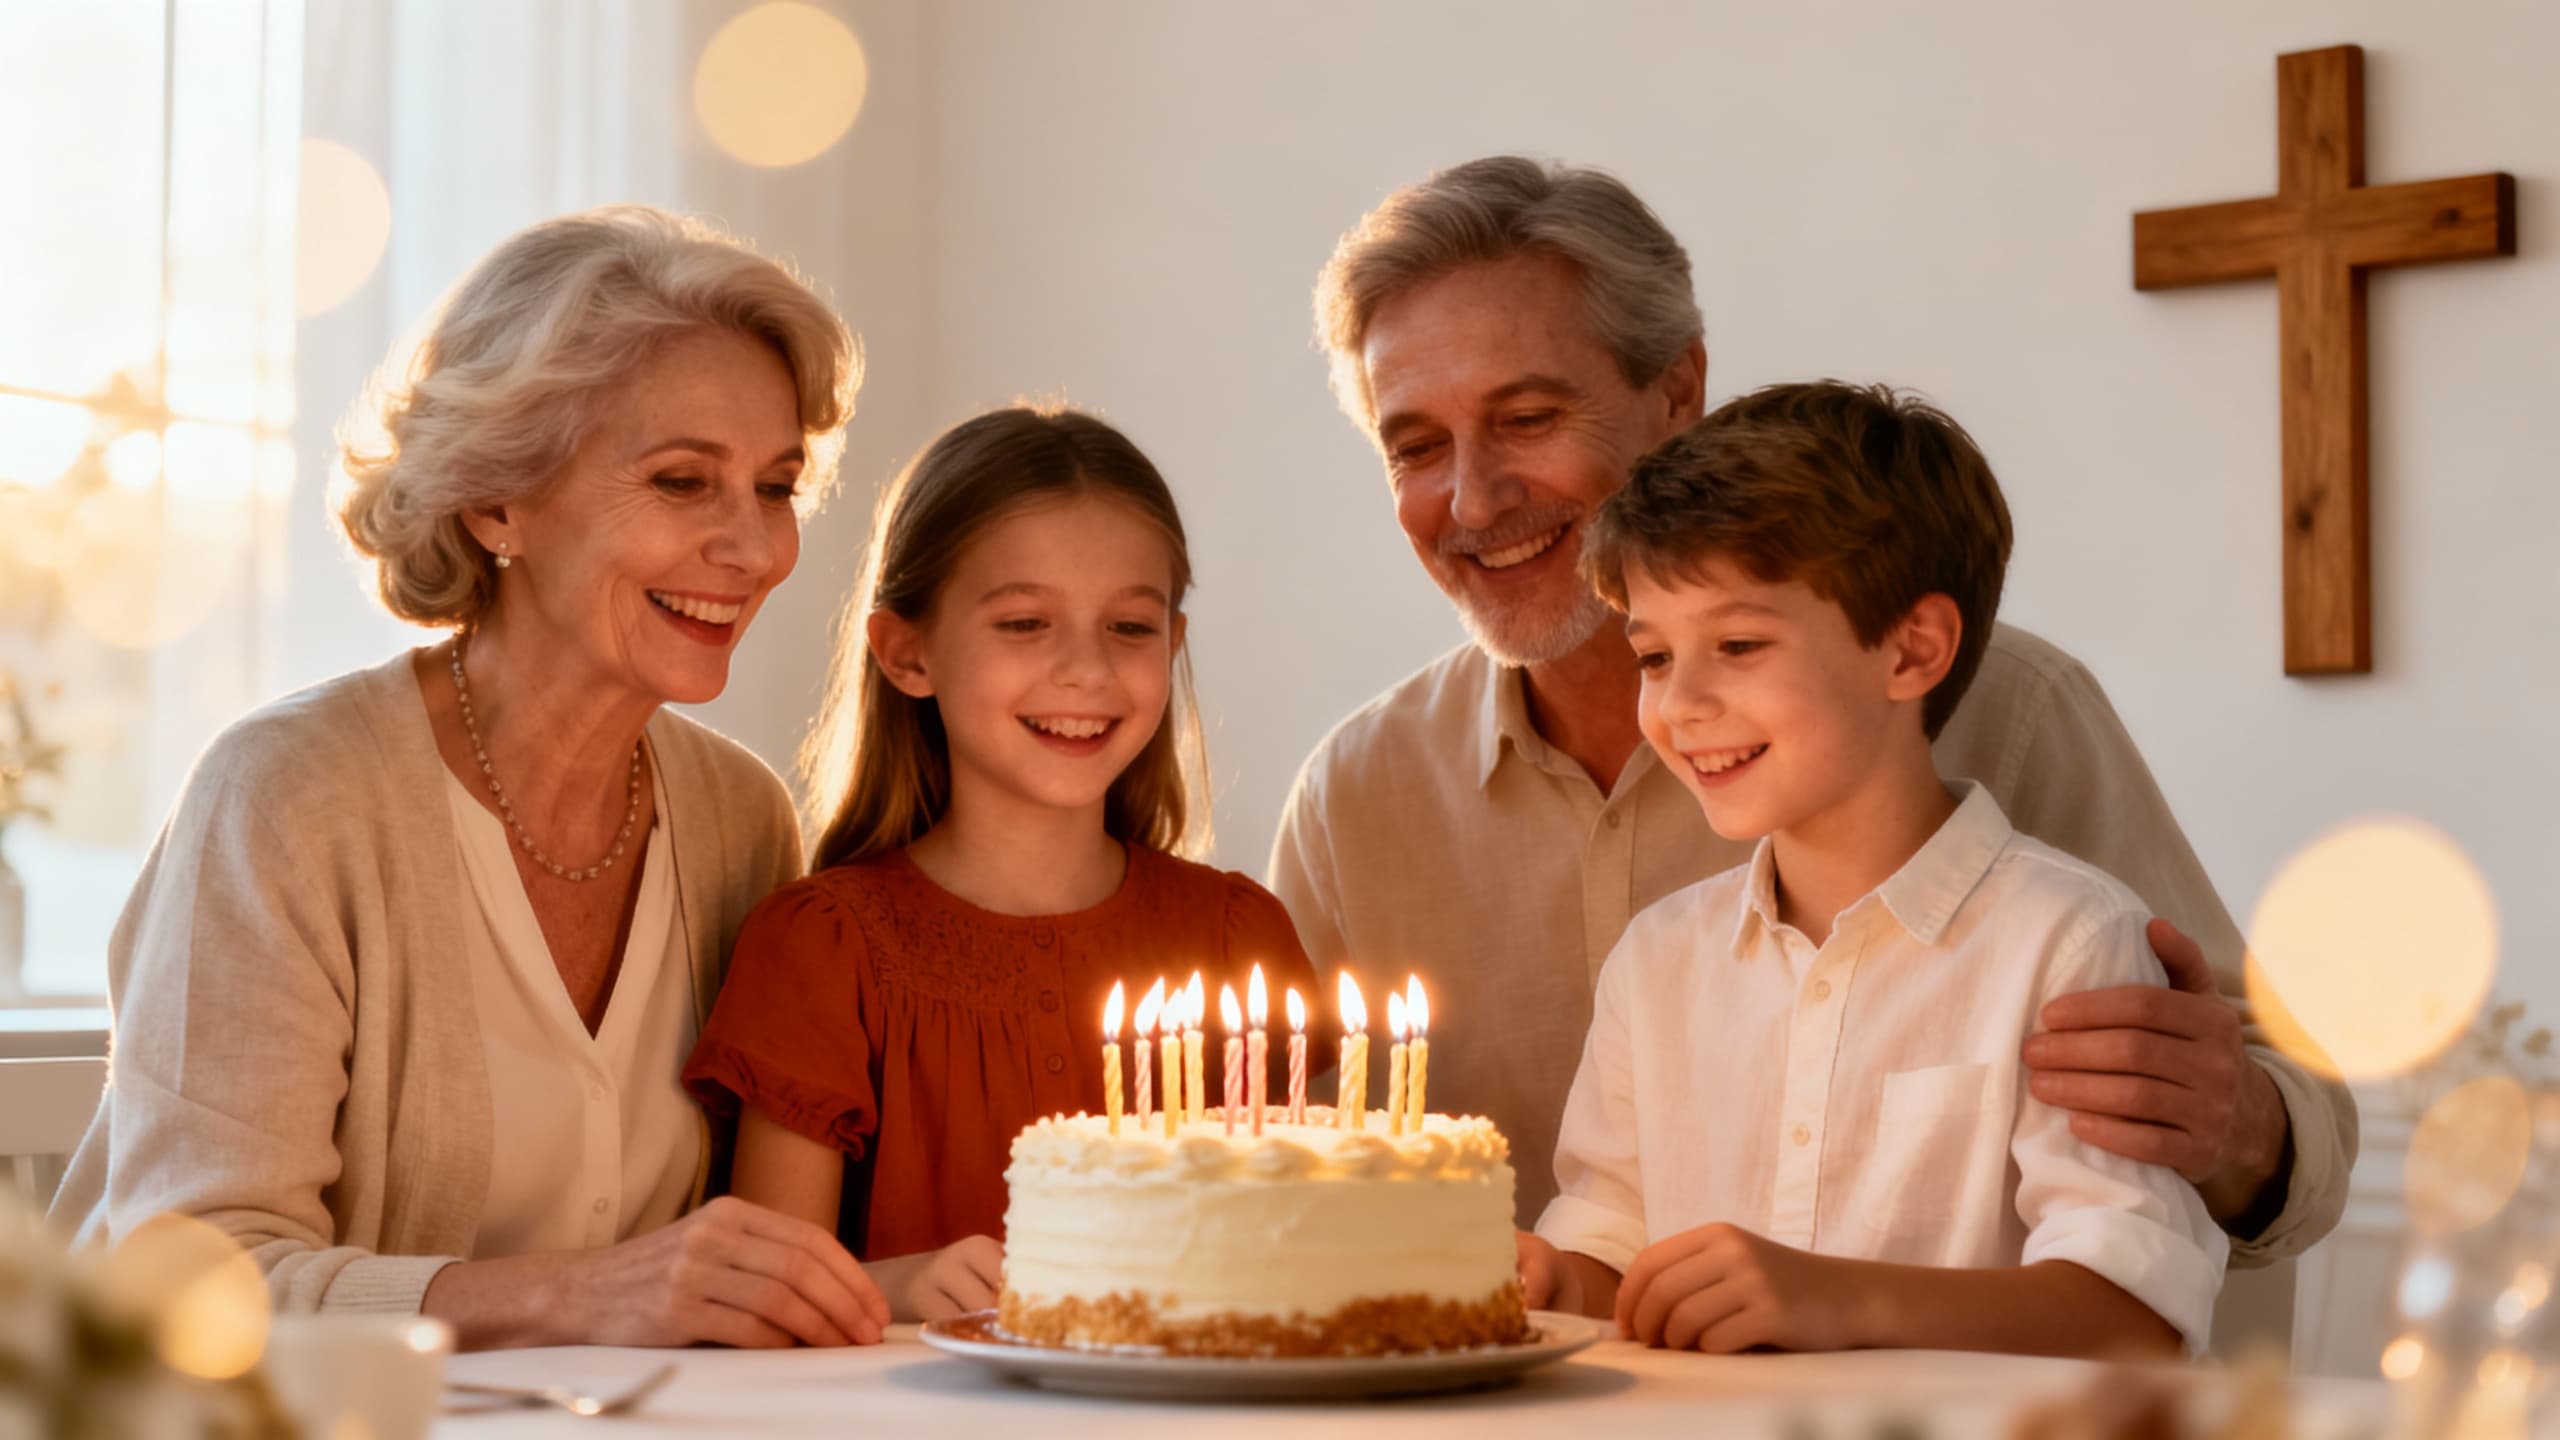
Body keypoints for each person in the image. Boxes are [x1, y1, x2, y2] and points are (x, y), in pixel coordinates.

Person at [1269, 157, 2354, 1319]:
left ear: (1676, 391)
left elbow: (2249, 1167)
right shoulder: (1358, 795)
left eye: (1527, 418)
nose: (1474, 500)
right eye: (1415, 447)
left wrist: (2235, 1123)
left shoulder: (2006, 710)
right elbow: (1269, 1159)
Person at [52, 206, 892, 1351]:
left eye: (777, 485)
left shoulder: (743, 820)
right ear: (499, 502)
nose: (754, 548)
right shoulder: (289, 797)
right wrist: (571, 1294)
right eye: (685, 482)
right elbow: (184, 1278)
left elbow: (727, 1264)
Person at [1515, 381, 2225, 1355]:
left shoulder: (2067, 943)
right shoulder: (1657, 960)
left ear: (1912, 650)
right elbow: (1607, 1251)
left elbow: (2133, 1314)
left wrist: (1834, 1300)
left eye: (1736, 644)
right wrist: (1550, 1280)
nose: (1679, 704)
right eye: (1651, 657)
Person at [683, 406, 1317, 1322]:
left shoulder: (1236, 939)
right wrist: (896, 1290)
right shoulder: (819, 951)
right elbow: (763, 1305)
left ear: (1172, 646)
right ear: (908, 654)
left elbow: (1296, 1254)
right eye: (1025, 623)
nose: (1086, 671)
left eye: (1130, 628)